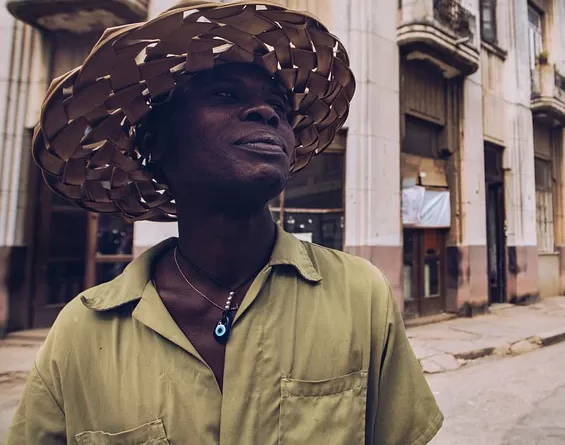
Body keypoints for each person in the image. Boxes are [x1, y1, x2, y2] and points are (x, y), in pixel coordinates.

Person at [6, 2, 443, 444]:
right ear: (157, 146)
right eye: (225, 95)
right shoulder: (79, 335)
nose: (267, 113)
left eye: (278, 106)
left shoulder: (359, 294)